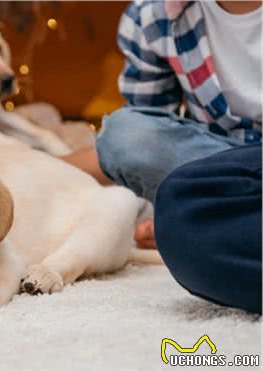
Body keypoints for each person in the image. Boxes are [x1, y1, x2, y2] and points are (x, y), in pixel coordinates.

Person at [63, 0, 261, 312]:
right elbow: (148, 140)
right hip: (224, 168)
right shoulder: (153, 16)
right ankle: (219, 214)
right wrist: (26, 167)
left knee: (184, 220)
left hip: (234, 179)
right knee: (126, 135)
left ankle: (219, 215)